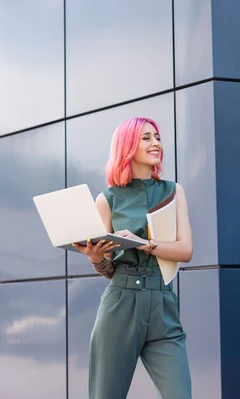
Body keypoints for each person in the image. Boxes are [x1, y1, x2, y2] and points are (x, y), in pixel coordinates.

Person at [73, 116, 193, 399]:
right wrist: (95, 258)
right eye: (146, 138)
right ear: (127, 146)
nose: (156, 143)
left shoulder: (174, 192)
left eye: (158, 137)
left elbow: (185, 250)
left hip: (163, 304)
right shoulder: (108, 199)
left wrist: (145, 243)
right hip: (121, 303)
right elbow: (108, 268)